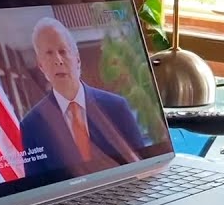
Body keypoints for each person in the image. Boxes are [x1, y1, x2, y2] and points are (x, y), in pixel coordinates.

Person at [19, 16, 149, 176]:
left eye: (63, 51)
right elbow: (37, 187)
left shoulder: (117, 106)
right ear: (41, 66)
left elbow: (143, 165)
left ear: (77, 60)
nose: (58, 60)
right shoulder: (31, 125)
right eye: (49, 53)